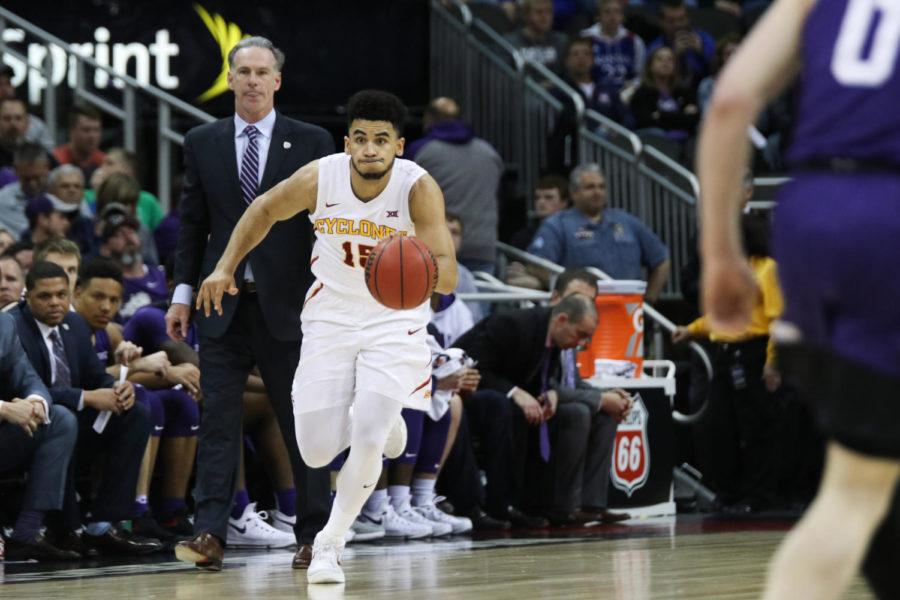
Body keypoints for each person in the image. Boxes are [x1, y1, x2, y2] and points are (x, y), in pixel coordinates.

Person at [193, 89, 457, 584]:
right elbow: (262, 211)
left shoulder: (418, 188)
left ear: (399, 146)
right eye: (361, 138)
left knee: (369, 431)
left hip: (393, 317)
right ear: (347, 142)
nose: (370, 149)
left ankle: (329, 544)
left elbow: (448, 272)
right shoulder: (321, 175)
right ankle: (381, 426)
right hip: (330, 313)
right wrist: (225, 266)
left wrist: (419, 272)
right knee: (314, 449)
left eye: (382, 140)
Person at [697, 0, 900, 598]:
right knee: (858, 490)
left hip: (813, 213)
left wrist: (721, 255)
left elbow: (731, 102)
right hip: (890, 214)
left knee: (857, 482)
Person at [167, 36, 335, 572]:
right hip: (221, 302)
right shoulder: (202, 139)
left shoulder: (311, 140)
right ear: (231, 78)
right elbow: (194, 224)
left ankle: (313, 535)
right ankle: (209, 534)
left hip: (289, 305)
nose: (254, 81)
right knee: (217, 421)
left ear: (277, 81)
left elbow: (324, 226)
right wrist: (182, 294)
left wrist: (327, 297)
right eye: (244, 72)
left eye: (263, 72)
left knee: (301, 422)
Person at [12, 261, 159, 555]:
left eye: (60, 295)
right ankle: (63, 528)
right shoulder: (14, 327)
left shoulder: (75, 324)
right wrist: (87, 397)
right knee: (63, 420)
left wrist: (117, 387)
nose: (55, 302)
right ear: (27, 296)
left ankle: (103, 525)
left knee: (136, 413)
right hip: (30, 423)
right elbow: (25, 391)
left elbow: (96, 374)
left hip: (74, 418)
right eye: (45, 296)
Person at [0, 310, 79, 561]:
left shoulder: (3, 323)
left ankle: (28, 531)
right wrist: (4, 409)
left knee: (59, 419)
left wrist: (35, 404)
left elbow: (27, 376)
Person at [528, 163, 670, 302]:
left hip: (628, 312)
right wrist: (569, 293)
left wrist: (650, 300)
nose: (597, 192)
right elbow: (537, 266)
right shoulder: (558, 225)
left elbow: (661, 259)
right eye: (590, 187)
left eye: (602, 187)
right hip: (582, 312)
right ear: (574, 193)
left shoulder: (626, 221)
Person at [408, 97, 504, 275]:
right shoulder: (489, 152)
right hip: (482, 246)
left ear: (428, 119)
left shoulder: (421, 150)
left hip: (436, 246)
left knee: (435, 302)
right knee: (478, 301)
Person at [0, 142, 51, 239]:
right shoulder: (2, 201)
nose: (33, 184)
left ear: (46, 168)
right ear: (15, 170)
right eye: (26, 179)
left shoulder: (63, 192)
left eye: (37, 177)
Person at [504, 0, 569, 73]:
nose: (544, 17)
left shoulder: (561, 41)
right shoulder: (510, 42)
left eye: (548, 11)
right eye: (539, 12)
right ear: (526, 15)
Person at [53, 104, 105, 185]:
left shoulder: (104, 162)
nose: (92, 136)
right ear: (72, 131)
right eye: (86, 130)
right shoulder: (56, 160)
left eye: (96, 130)